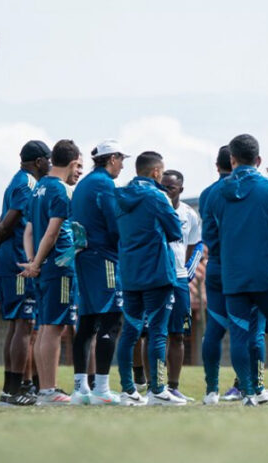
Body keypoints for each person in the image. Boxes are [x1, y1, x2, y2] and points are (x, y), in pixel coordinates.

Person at [205, 134, 268, 406]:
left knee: (240, 334)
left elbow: (209, 236)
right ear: (258, 160)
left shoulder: (215, 193)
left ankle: (249, 393)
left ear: (232, 160)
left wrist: (228, 259)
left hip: (234, 277)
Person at [0, 140, 50, 406]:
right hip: (19, 262)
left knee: (18, 326)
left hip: (10, 260)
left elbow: (1, 220)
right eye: (48, 160)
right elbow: (10, 220)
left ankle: (12, 389)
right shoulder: (28, 183)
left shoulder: (15, 180)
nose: (50, 165)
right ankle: (15, 390)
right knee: (24, 325)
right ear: (39, 161)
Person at [113, 151, 186, 406]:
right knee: (158, 333)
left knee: (129, 333)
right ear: (156, 172)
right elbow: (176, 231)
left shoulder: (119, 195)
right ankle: (158, 390)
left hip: (130, 274)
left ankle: (127, 391)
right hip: (157, 273)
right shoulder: (158, 196)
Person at [19, 139, 82, 405]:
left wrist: (34, 260)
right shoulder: (60, 191)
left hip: (45, 268)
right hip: (60, 267)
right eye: (78, 165)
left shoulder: (39, 188)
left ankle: (45, 389)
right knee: (55, 328)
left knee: (45, 327)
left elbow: (29, 231)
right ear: (71, 163)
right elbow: (52, 231)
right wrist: (38, 262)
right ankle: (49, 389)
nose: (79, 171)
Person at [68, 139, 127, 406]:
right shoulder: (104, 184)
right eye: (121, 160)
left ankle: (81, 388)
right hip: (104, 257)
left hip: (84, 256)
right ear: (112, 158)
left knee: (87, 323)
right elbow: (113, 223)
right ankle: (102, 388)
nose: (122, 166)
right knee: (111, 319)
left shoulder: (83, 184)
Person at [161, 169, 201, 402]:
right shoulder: (155, 208)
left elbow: (195, 245)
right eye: (162, 186)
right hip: (157, 278)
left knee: (177, 335)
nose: (165, 191)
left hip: (179, 279)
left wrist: (187, 271)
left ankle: (173, 386)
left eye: (171, 188)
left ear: (181, 190)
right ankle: (153, 385)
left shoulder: (189, 214)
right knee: (154, 333)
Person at [199, 146, 233, 404]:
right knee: (247, 328)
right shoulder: (247, 189)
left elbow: (208, 234)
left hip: (215, 264)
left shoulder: (206, 194)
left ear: (217, 164)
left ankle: (212, 389)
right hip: (241, 266)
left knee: (214, 327)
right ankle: (248, 386)